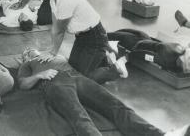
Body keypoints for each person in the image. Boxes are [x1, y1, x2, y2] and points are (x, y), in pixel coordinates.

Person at [17, 48, 190, 136]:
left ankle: (159, 135)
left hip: (78, 77)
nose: (30, 50)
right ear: (25, 57)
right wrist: (40, 74)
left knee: (116, 105)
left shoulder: (54, 54)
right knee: (78, 114)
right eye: (26, 52)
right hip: (54, 81)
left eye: (31, 49)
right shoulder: (27, 65)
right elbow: (23, 84)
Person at [35, 0, 127, 84]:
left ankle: (116, 69)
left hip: (95, 37)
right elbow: (55, 28)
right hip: (81, 37)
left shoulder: (66, 1)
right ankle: (106, 57)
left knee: (83, 78)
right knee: (73, 68)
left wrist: (53, 53)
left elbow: (60, 32)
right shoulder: (53, 0)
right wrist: (51, 50)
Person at [108, 29, 190, 74]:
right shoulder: (165, 59)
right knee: (111, 35)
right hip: (135, 44)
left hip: (146, 39)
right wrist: (125, 58)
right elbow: (144, 54)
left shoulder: (181, 49)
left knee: (119, 33)